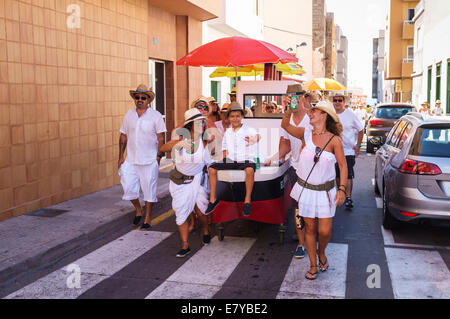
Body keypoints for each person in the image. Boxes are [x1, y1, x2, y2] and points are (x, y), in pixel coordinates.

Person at [281, 101, 347, 280]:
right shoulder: (305, 134)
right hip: (306, 190)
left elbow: (343, 165)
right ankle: (312, 264)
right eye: (309, 112)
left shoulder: (335, 140)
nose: (310, 114)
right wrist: (289, 109)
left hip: (326, 192)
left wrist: (342, 189)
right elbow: (285, 125)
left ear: (324, 115)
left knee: (325, 231)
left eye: (314, 111)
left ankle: (321, 252)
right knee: (310, 228)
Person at [264, 84, 310, 259]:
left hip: (313, 170)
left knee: (311, 206)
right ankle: (301, 243)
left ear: (303, 97)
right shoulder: (286, 119)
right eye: (289, 97)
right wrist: (275, 158)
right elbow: (285, 145)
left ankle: (310, 233)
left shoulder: (311, 117)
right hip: (296, 168)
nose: (292, 100)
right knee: (298, 206)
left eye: (296, 97)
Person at [159, 109, 212, 257]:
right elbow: (162, 148)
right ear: (190, 125)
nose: (202, 123)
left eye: (202, 121)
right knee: (181, 213)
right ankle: (185, 245)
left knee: (201, 211)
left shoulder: (205, 140)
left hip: (197, 179)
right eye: (198, 122)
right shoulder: (180, 140)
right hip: (180, 182)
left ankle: (206, 230)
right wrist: (179, 144)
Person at [118, 84, 167, 230]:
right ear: (135, 99)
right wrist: (120, 156)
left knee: (149, 190)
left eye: (143, 98)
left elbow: (161, 138)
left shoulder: (156, 116)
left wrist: (158, 157)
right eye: (137, 97)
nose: (140, 100)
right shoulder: (129, 115)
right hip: (131, 160)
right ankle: (138, 209)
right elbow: (123, 136)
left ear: (148, 100)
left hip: (149, 160)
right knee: (128, 187)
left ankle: (147, 218)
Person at [205, 102, 259, 217]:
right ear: (228, 118)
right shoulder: (228, 132)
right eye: (232, 116)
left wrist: (253, 140)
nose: (235, 119)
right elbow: (224, 149)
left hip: (246, 159)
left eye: (238, 116)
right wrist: (219, 161)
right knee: (211, 169)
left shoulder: (248, 129)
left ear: (242, 117)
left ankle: (247, 201)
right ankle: (213, 200)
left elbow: (258, 136)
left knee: (249, 171)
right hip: (231, 159)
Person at [331, 93, 364, 209]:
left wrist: (358, 145)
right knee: (337, 174)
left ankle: (348, 198)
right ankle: (341, 194)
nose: (337, 102)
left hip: (348, 151)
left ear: (344, 102)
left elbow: (361, 129)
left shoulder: (350, 114)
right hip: (333, 151)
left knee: (348, 174)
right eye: (335, 100)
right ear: (332, 102)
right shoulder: (330, 114)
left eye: (340, 100)